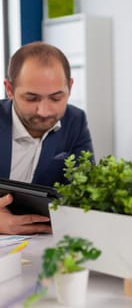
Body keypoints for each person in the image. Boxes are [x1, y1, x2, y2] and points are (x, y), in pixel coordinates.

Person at [0, 42, 94, 234]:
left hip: (42, 238)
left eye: (56, 98)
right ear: (9, 89)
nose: (44, 111)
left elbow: (85, 190)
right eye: (31, 98)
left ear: (70, 87)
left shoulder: (75, 121)